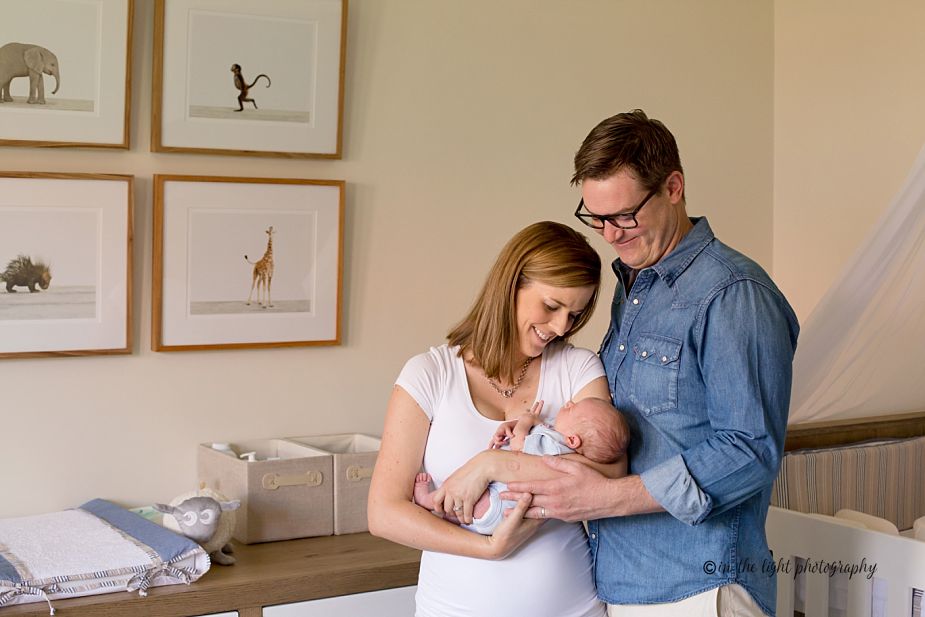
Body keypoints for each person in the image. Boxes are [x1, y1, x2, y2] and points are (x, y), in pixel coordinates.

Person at [493, 110, 800, 616]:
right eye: (596, 217)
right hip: (623, 584)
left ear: (674, 187)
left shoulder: (733, 294)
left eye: (624, 215)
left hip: (701, 589)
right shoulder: (635, 287)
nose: (609, 234)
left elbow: (750, 449)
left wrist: (605, 499)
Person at [368, 221, 624, 617]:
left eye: (573, 315)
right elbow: (384, 513)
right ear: (511, 285)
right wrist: (489, 547)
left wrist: (490, 464)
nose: (560, 328)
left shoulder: (578, 369)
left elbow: (609, 475)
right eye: (552, 306)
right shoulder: (429, 374)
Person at [413, 398, 629, 534]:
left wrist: (526, 421)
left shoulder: (552, 442)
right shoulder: (569, 453)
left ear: (572, 440)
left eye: (573, 409)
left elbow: (520, 447)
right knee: (463, 506)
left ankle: (428, 500)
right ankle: (451, 515)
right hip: (504, 514)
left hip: (499, 501)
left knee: (456, 495)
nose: (569, 404)